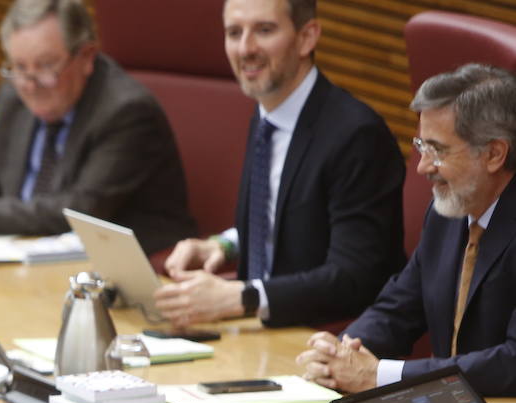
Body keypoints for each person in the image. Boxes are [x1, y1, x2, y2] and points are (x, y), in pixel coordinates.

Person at [153, 0, 405, 329]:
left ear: (307, 37)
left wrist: (241, 297)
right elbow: (290, 219)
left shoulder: (356, 135)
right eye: (234, 32)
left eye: (264, 30)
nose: (246, 49)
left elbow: (353, 278)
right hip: (259, 334)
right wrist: (223, 245)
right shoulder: (266, 116)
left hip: (325, 340)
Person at [0, 0, 195, 252]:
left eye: (46, 66)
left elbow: (79, 211)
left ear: (87, 56)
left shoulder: (126, 111)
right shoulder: (14, 95)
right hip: (22, 254)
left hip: (126, 270)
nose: (30, 84)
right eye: (20, 67)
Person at [297, 64, 516, 396]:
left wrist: (381, 375)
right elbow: (399, 306)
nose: (423, 167)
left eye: (437, 150)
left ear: (494, 154)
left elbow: (510, 363)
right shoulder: (448, 212)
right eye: (421, 146)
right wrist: (342, 353)